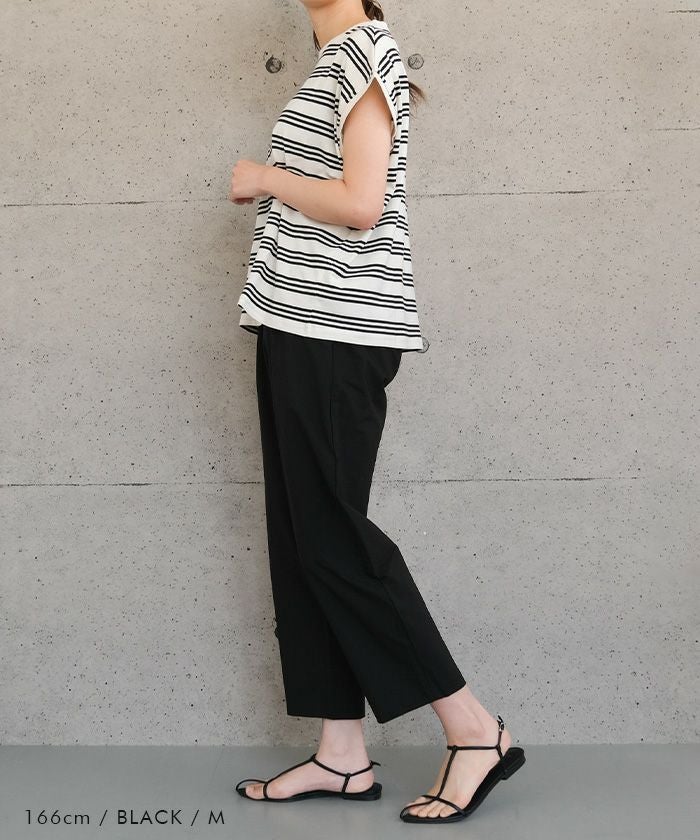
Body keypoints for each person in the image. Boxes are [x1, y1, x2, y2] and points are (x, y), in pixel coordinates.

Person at [227, 0, 525, 824]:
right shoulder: (340, 60)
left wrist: (264, 179)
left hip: (333, 328)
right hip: (298, 323)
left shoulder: (365, 50)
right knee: (305, 540)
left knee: (333, 538)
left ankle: (474, 731)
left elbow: (361, 203)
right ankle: (341, 755)